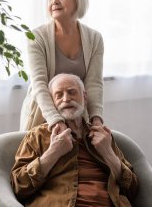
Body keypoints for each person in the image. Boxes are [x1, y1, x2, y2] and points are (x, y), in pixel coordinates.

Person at [11, 73, 138, 207]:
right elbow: (19, 186)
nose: (66, 99)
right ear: (52, 102)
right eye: (59, 95)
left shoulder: (103, 136)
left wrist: (107, 152)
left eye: (72, 92)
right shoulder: (38, 135)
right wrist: (53, 152)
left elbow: (132, 189)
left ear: (84, 96)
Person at [20, 0, 104, 131]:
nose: (54, 1)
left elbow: (94, 83)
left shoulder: (95, 38)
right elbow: (39, 83)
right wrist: (55, 120)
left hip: (77, 117)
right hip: (42, 115)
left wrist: (96, 118)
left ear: (78, 0)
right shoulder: (36, 37)